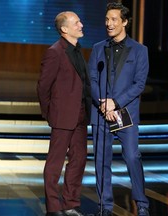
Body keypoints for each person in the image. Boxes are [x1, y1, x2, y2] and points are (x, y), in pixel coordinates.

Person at [88, 2, 150, 216]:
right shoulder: (98, 48)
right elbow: (92, 80)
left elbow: (139, 84)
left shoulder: (140, 51)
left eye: (114, 19)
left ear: (124, 22)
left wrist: (116, 102)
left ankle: (142, 204)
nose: (109, 23)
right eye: (106, 19)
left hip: (125, 114)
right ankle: (105, 207)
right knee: (101, 161)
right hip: (101, 114)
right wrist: (103, 103)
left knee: (132, 157)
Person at [37, 11, 91, 216]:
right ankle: (53, 207)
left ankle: (70, 203)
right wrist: (50, 112)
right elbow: (43, 86)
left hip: (80, 116)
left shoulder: (77, 50)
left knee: (78, 160)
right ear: (64, 29)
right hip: (62, 117)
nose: (81, 24)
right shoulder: (55, 52)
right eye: (76, 22)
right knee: (55, 163)